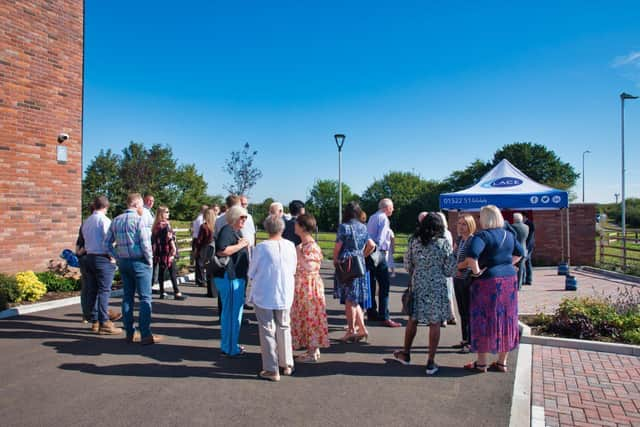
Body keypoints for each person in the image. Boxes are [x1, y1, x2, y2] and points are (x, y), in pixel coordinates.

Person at [392, 213, 456, 375]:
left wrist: (418, 272)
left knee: (413, 319)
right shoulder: (443, 244)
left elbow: (407, 264)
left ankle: (406, 353)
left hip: (418, 284)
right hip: (437, 286)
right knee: (435, 323)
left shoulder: (414, 242)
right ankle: (430, 361)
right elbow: (450, 270)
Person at [463, 205, 523, 372]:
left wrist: (476, 273)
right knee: (507, 318)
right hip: (509, 280)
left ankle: (481, 363)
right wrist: (506, 264)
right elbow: (520, 253)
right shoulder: (509, 235)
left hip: (487, 282)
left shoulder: (482, 235)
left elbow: (472, 257)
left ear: (485, 218)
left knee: (483, 318)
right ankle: (502, 362)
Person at [105, 193, 161, 345]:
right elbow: (145, 243)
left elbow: (107, 243)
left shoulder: (116, 220)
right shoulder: (139, 220)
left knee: (128, 297)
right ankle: (145, 334)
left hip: (124, 262)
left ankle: (129, 332)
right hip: (139, 262)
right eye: (141, 205)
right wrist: (150, 261)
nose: (142, 208)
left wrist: (116, 256)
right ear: (136, 204)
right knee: (145, 298)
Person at [248, 215, 297, 381]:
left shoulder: (261, 248)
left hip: (265, 292)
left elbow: (252, 271)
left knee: (267, 329)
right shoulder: (291, 246)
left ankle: (271, 368)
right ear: (282, 228)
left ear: (267, 229)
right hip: (285, 291)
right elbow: (293, 268)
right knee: (284, 326)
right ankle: (287, 363)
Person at [333, 202, 376, 342]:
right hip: (359, 263)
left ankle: (351, 330)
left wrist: (335, 260)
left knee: (349, 300)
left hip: (347, 264)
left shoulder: (344, 227)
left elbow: (338, 246)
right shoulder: (362, 227)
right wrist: (362, 255)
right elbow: (371, 245)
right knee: (355, 299)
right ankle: (362, 328)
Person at [290, 214, 329, 362]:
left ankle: (312, 352)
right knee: (307, 316)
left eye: (297, 224)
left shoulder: (310, 246)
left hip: (309, 286)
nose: (294, 226)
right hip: (304, 285)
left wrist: (298, 254)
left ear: (303, 227)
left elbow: (310, 267)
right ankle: (313, 349)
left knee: (311, 315)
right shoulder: (303, 245)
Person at [214, 205, 250, 357]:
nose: (244, 220)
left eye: (246, 217)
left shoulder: (235, 231)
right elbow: (221, 251)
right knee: (231, 314)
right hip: (229, 277)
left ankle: (230, 345)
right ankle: (230, 348)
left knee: (233, 314)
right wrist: (241, 245)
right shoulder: (227, 230)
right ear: (234, 217)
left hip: (235, 277)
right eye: (242, 217)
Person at [81, 196, 121, 335]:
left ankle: (95, 321)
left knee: (92, 290)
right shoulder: (104, 220)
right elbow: (108, 241)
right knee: (104, 291)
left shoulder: (86, 221)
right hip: (102, 258)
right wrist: (113, 257)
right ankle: (104, 321)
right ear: (106, 206)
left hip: (89, 257)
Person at [366, 198, 400, 327]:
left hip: (369, 252)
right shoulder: (384, 219)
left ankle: (371, 312)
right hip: (378, 253)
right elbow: (380, 239)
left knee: (371, 284)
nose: (393, 209)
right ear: (387, 208)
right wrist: (380, 252)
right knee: (384, 286)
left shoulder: (372, 217)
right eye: (392, 207)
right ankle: (384, 316)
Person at [452, 214, 477, 353]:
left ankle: (471, 342)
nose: (461, 227)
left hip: (468, 278)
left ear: (470, 225)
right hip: (458, 278)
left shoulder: (473, 240)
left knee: (468, 310)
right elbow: (453, 254)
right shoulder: (460, 239)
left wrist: (459, 266)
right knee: (462, 310)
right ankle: (464, 339)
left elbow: (471, 260)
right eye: (459, 224)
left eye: (464, 224)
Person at [152, 206, 186, 301]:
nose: (168, 213)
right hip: (167, 251)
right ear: (161, 213)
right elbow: (169, 238)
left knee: (162, 272)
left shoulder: (156, 225)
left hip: (160, 251)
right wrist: (174, 249)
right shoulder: (164, 225)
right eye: (166, 212)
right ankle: (176, 292)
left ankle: (163, 292)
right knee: (172, 271)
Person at [436, 212, 457, 326]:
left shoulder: (438, 234)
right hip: (448, 265)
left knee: (441, 293)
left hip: (440, 266)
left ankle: (443, 318)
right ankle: (452, 315)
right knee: (448, 292)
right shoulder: (448, 232)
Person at [193, 207, 217, 298]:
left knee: (203, 267)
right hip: (213, 248)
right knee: (212, 269)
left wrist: (196, 250)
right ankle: (214, 291)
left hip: (205, 248)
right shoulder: (215, 226)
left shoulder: (204, 226)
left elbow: (199, 240)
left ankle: (208, 289)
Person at [511, 213, 529, 290]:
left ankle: (515, 285)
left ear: (514, 219)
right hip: (524, 249)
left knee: (513, 268)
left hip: (515, 251)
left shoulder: (512, 227)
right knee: (521, 268)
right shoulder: (526, 227)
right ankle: (519, 285)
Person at [192, 205, 208, 286]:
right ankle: (201, 280)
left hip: (196, 239)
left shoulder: (197, 217)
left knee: (198, 261)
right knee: (200, 261)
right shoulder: (201, 219)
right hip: (199, 240)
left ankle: (198, 279)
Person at [523, 214, 535, 286]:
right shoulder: (528, 224)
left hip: (528, 246)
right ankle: (528, 279)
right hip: (529, 245)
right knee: (527, 262)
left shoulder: (529, 224)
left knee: (526, 262)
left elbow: (529, 237)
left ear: (525, 217)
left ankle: (527, 279)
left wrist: (526, 247)